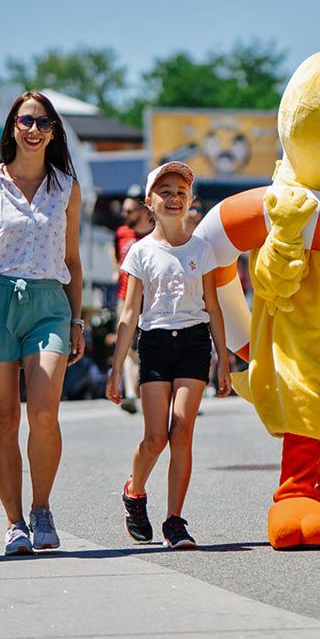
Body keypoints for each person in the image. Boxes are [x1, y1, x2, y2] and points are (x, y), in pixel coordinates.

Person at [0, 92, 85, 557]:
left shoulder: (67, 188)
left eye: (44, 122)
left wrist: (77, 319)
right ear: (12, 126)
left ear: (53, 132)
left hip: (50, 301)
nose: (34, 129)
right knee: (5, 418)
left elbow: (71, 257)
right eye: (26, 120)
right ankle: (14, 522)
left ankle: (42, 509)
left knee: (45, 411)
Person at [106, 161, 232, 548]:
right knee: (155, 438)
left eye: (180, 191)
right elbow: (129, 314)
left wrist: (223, 362)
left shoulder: (202, 250)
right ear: (150, 202)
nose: (173, 197)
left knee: (182, 433)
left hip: (194, 342)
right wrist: (115, 372)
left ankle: (174, 521)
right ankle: (135, 490)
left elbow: (213, 305)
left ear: (190, 200)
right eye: (165, 191)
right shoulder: (140, 253)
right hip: (156, 343)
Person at [110, 192, 152, 414]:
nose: (124, 214)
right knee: (125, 344)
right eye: (123, 210)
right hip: (125, 297)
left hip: (150, 299)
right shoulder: (121, 233)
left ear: (143, 210)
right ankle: (130, 394)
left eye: (129, 210)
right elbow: (115, 253)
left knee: (145, 348)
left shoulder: (156, 234)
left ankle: (142, 391)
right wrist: (116, 270)